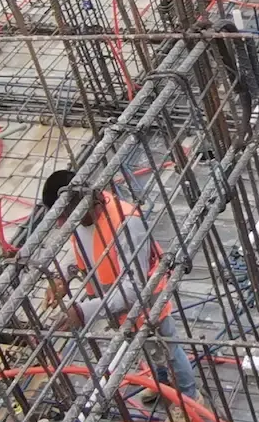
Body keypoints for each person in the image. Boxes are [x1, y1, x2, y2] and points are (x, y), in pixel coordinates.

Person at [41, 168, 198, 405]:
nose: (62, 224)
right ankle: (162, 383)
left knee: (168, 348)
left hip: (147, 300)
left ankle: (189, 398)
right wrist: (64, 276)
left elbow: (135, 287)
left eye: (63, 216)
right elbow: (84, 252)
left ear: (77, 204)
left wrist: (84, 311)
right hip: (115, 303)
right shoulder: (81, 220)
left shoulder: (126, 223)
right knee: (146, 346)